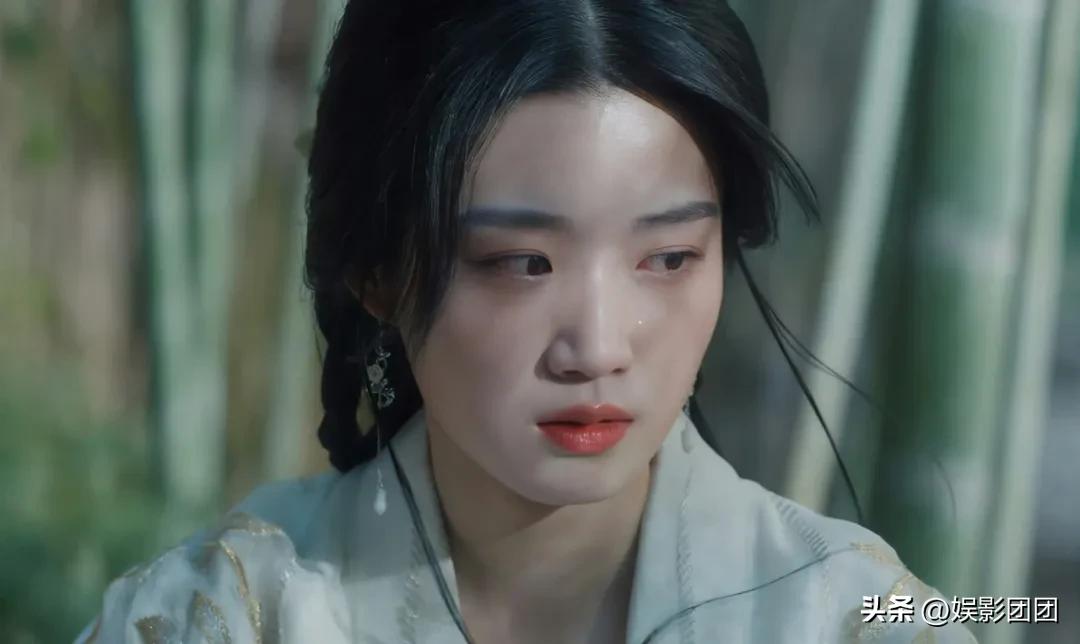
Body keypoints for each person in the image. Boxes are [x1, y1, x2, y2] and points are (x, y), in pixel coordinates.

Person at [77, 1, 979, 642]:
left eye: (668, 259)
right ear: (378, 273)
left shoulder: (854, 618)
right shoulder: (215, 617)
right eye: (520, 263)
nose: (598, 348)